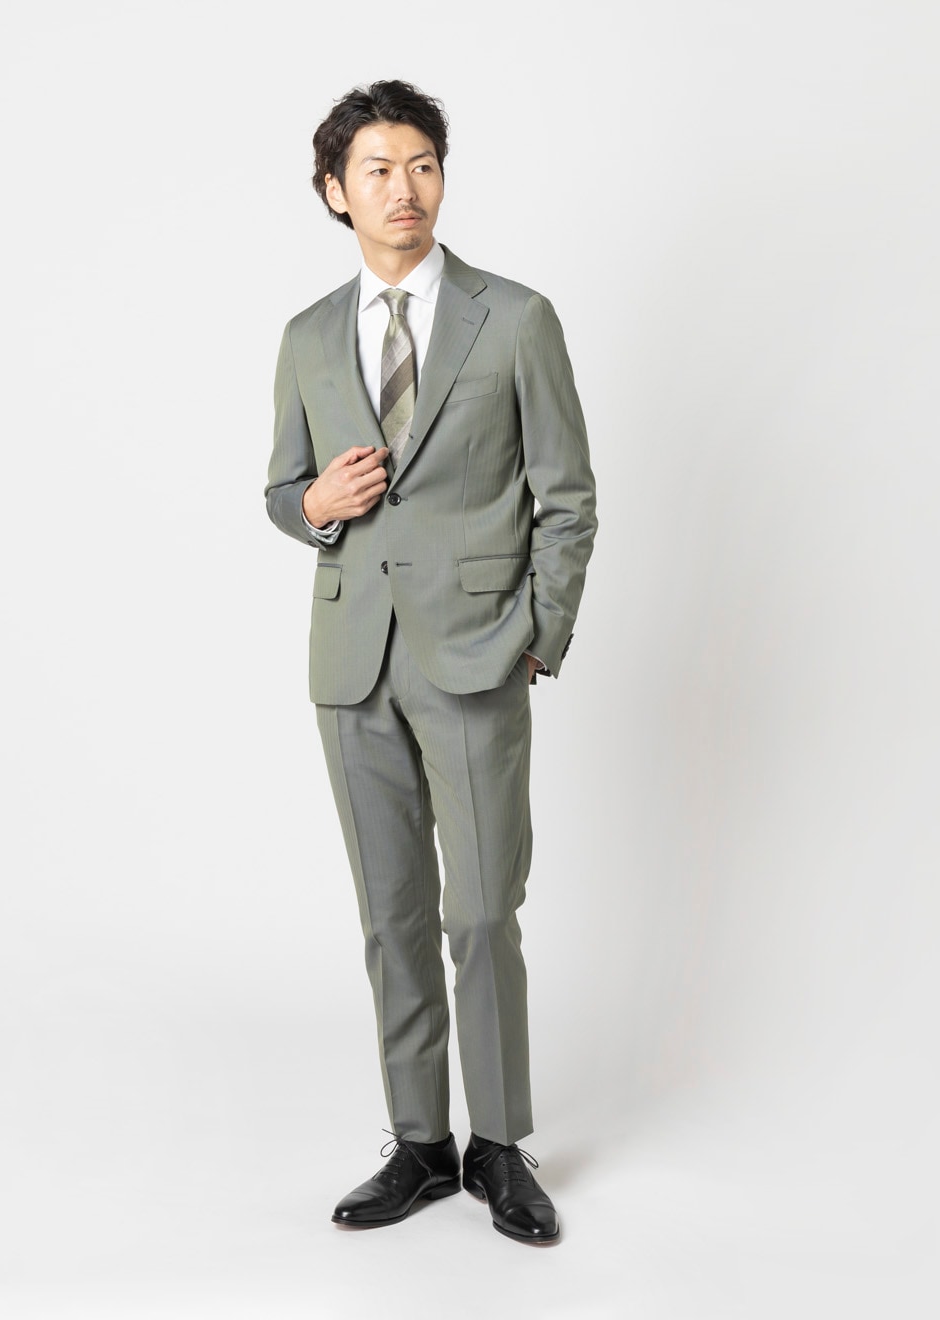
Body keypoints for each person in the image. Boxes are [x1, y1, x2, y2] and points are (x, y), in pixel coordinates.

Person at [264, 80, 596, 1245]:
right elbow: (281, 489)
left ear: (441, 178)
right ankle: (420, 1144)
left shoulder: (516, 319)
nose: (403, 188)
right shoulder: (309, 336)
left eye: (422, 164)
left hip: (477, 654)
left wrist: (539, 633)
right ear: (334, 192)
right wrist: (314, 504)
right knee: (390, 913)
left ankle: (499, 1143)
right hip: (352, 660)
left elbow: (568, 496)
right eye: (377, 170)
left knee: (483, 911)